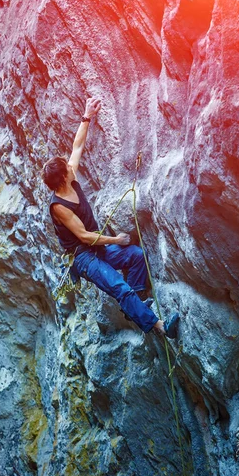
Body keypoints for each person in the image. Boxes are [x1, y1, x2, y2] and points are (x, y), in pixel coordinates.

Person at [42, 97, 180, 338]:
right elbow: (84, 236)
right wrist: (116, 240)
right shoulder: (59, 207)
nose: (69, 164)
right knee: (119, 287)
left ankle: (135, 306)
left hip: (97, 247)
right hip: (84, 257)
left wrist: (87, 116)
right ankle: (160, 326)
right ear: (62, 178)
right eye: (66, 167)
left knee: (137, 256)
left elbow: (77, 147)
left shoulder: (70, 177)